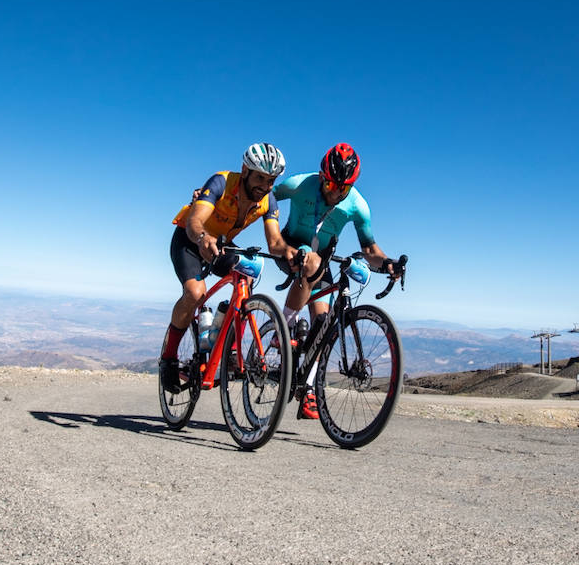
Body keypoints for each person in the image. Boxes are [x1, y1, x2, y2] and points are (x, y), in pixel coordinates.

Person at [273, 142, 402, 419]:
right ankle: (282, 328)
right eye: (330, 184)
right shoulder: (299, 184)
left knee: (323, 325)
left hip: (321, 259)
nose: (335, 192)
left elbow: (370, 251)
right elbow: (265, 200)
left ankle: (305, 387)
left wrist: (388, 262)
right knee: (308, 264)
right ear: (321, 176)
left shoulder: (357, 206)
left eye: (342, 188)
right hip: (290, 249)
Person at [160, 142, 297, 392]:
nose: (264, 186)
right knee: (195, 293)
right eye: (260, 178)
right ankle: (168, 360)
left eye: (271, 181)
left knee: (247, 275)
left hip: (222, 244)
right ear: (245, 170)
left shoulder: (268, 200)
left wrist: (289, 252)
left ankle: (230, 350)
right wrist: (203, 238)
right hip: (190, 239)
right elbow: (195, 221)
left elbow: (275, 242)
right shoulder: (221, 182)